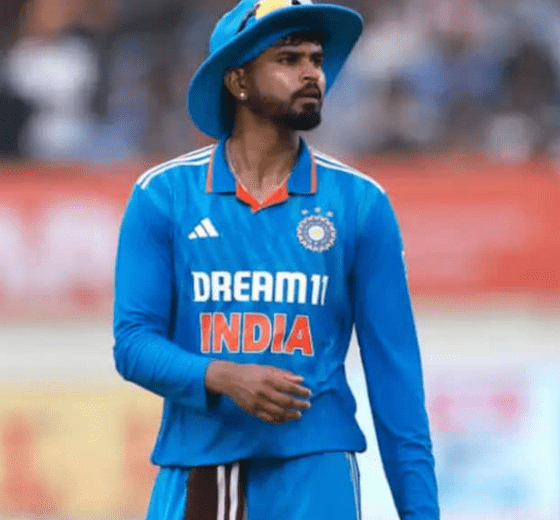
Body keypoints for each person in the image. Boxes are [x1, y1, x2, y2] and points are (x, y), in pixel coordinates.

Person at [112, 1, 439, 519]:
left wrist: (421, 514)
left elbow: (396, 381)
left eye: (316, 59)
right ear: (238, 81)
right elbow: (133, 345)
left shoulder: (361, 203)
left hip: (317, 474)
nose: (312, 73)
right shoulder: (164, 195)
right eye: (288, 59)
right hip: (200, 468)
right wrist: (223, 376)